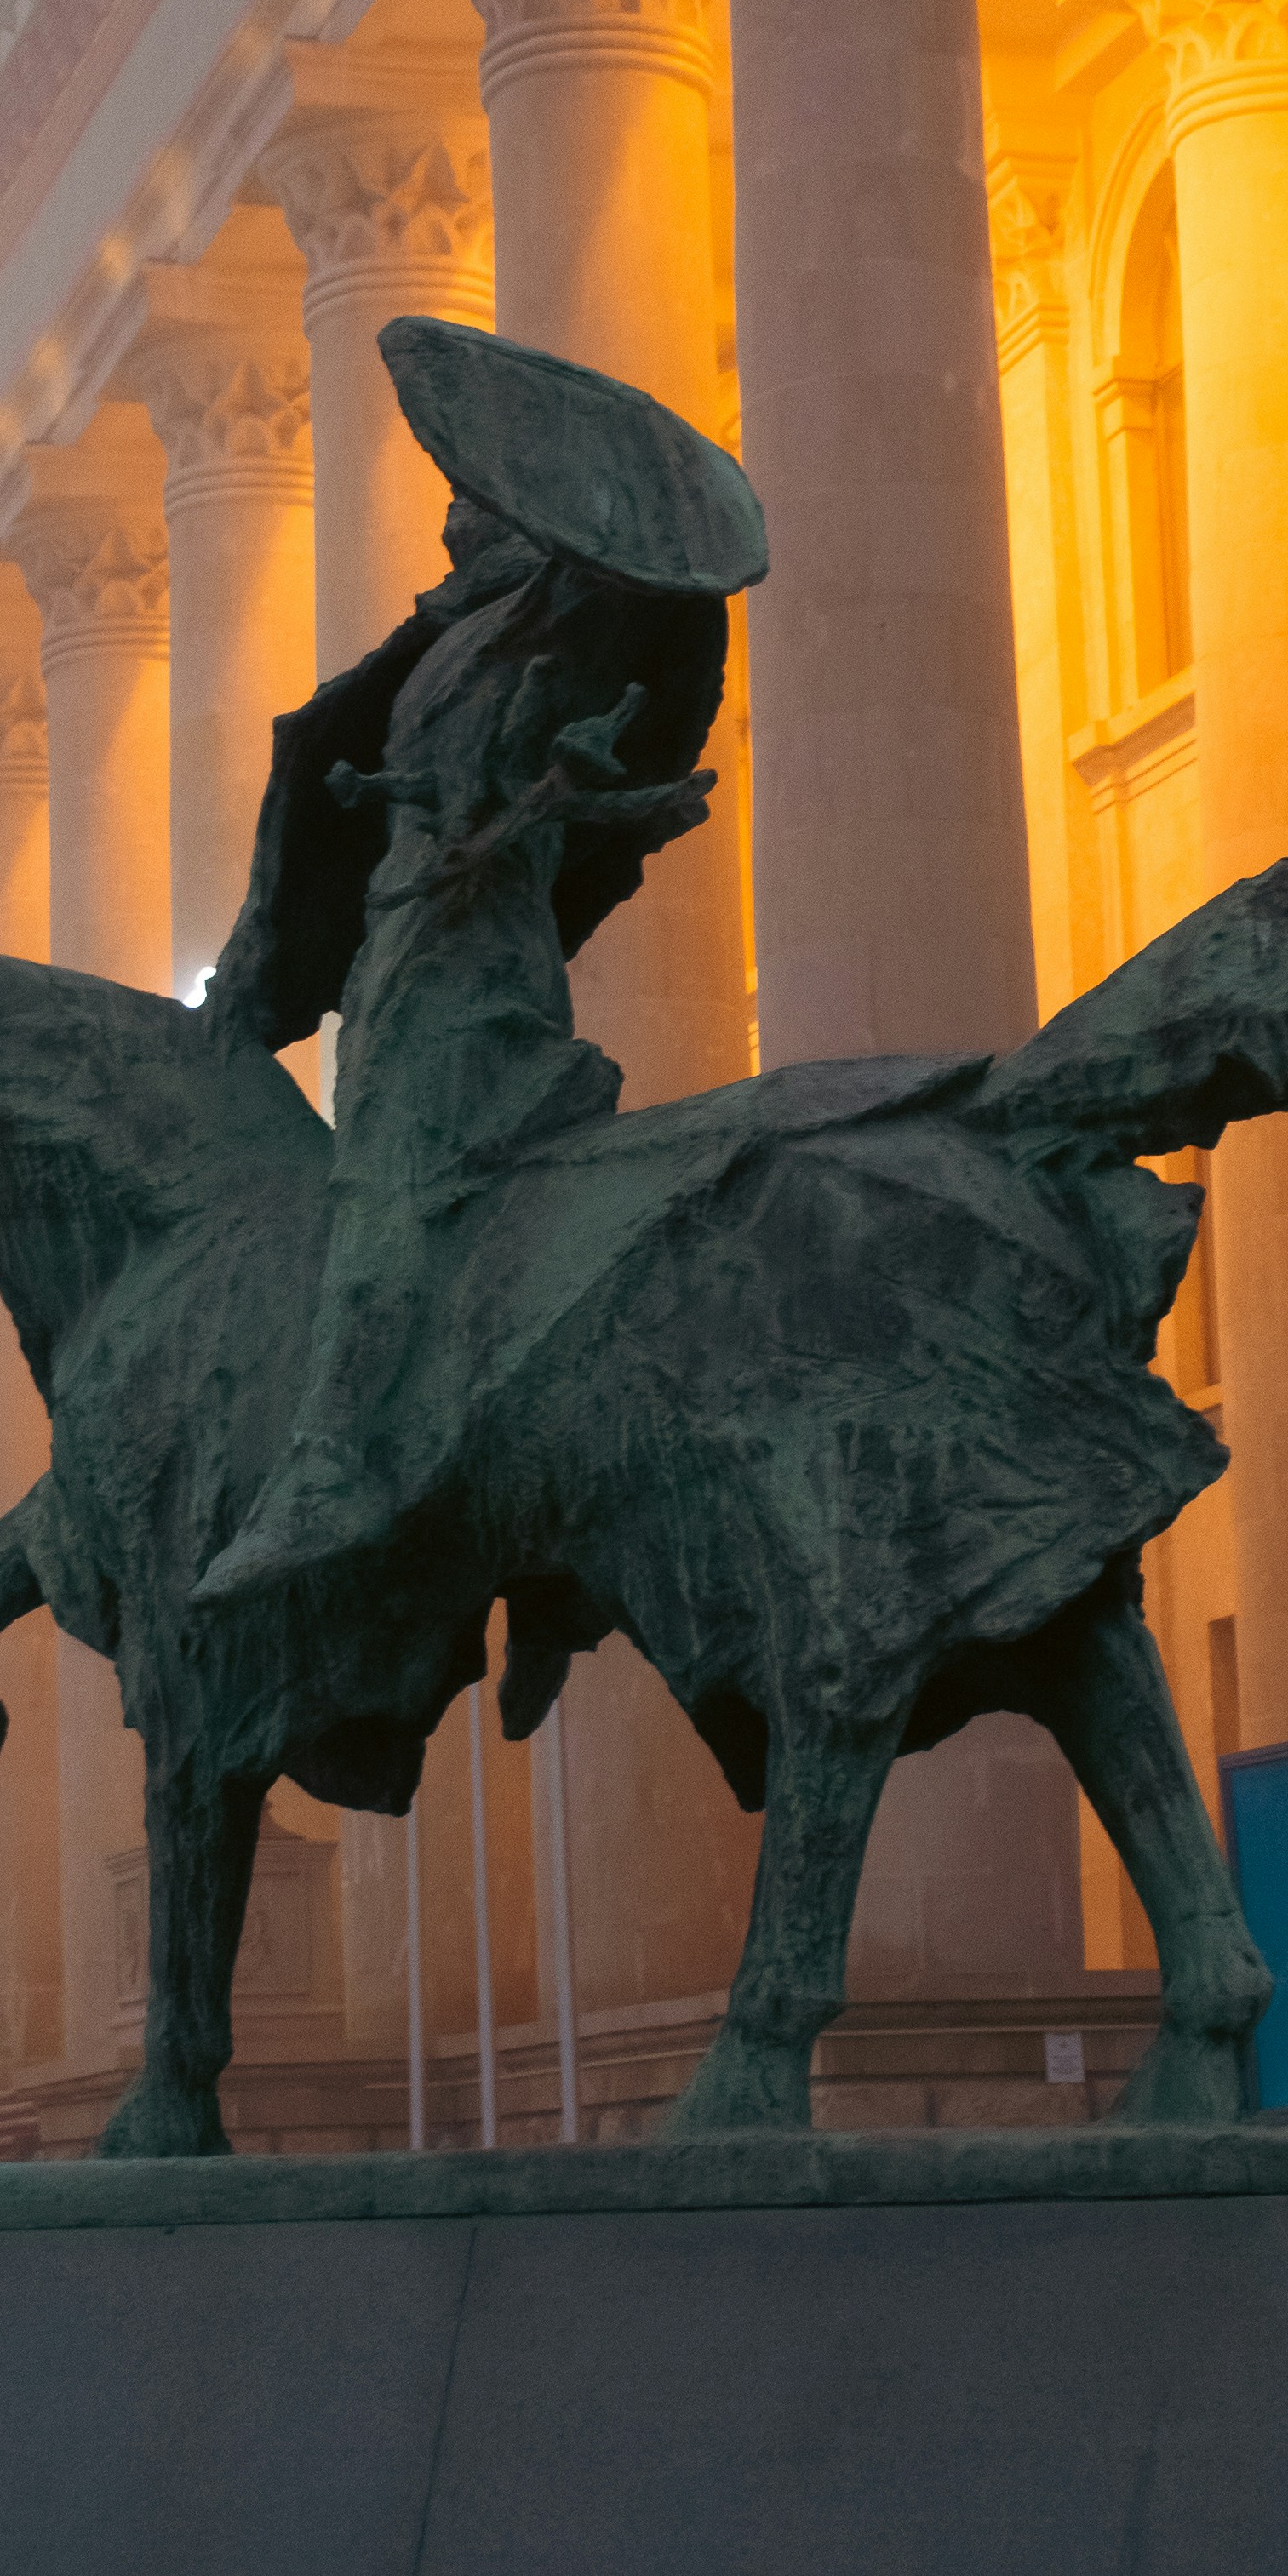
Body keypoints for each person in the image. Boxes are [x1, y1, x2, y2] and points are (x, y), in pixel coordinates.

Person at [192, 317, 765, 1608]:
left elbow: (561, 774)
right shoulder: (457, 637)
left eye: (472, 497)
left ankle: (334, 1459)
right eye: (453, 498)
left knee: (386, 1182)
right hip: (409, 934)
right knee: (372, 1165)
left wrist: (578, 802)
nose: (451, 518)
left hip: (466, 953)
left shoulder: (552, 627)